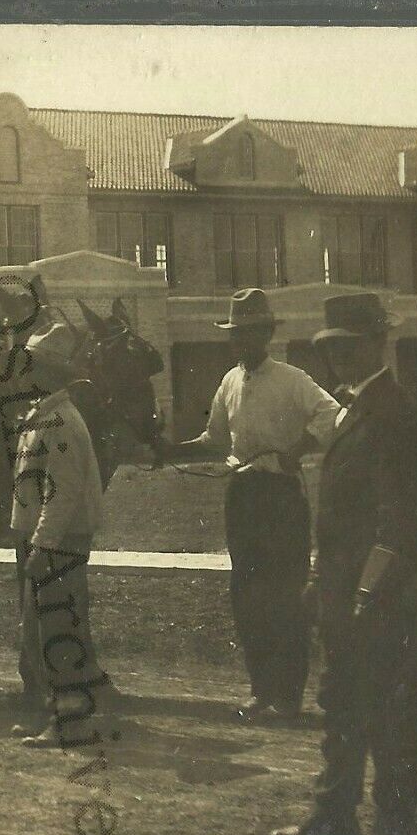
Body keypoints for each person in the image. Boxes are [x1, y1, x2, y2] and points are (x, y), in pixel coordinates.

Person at [271, 292, 417, 835]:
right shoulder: (354, 409)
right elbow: (339, 515)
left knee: (392, 718)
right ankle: (333, 816)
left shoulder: (394, 413)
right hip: (349, 591)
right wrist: (325, 582)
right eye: (331, 348)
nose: (339, 358)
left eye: (349, 346)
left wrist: (366, 588)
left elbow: (402, 520)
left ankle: (397, 833)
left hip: (386, 593)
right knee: (341, 701)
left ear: (377, 343)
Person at [176, 288, 340, 722]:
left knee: (285, 596)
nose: (240, 342)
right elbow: (214, 438)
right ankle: (261, 690)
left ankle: (287, 696)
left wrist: (298, 448)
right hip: (243, 497)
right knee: (247, 596)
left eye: (248, 333)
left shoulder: (292, 379)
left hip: (281, 497)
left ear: (266, 334)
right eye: (235, 334)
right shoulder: (230, 380)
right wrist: (167, 451)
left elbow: (332, 414)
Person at [7, 327, 113, 749]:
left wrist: (42, 543)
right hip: (50, 538)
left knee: (57, 630)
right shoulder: (43, 415)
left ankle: (71, 723)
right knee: (42, 629)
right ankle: (59, 715)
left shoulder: (61, 420)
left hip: (59, 541)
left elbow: (63, 490)